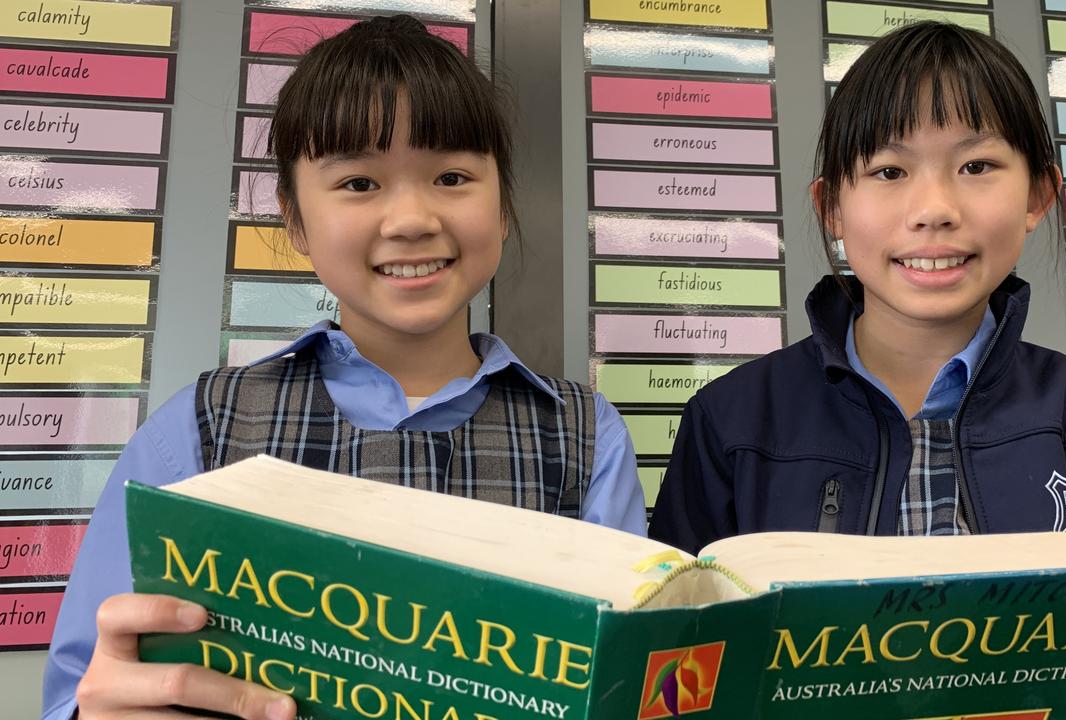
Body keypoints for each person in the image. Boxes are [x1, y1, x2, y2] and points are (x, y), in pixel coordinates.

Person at [649, 21, 1066, 720]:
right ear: (831, 207)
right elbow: (665, 653)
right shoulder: (730, 422)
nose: (934, 210)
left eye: (976, 166)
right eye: (889, 171)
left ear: (1039, 195)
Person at [42, 16, 645, 720]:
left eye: (452, 176)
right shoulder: (197, 431)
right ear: (294, 221)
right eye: (359, 183)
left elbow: (625, 682)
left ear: (503, 206)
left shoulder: (585, 438)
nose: (412, 218)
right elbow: (84, 685)